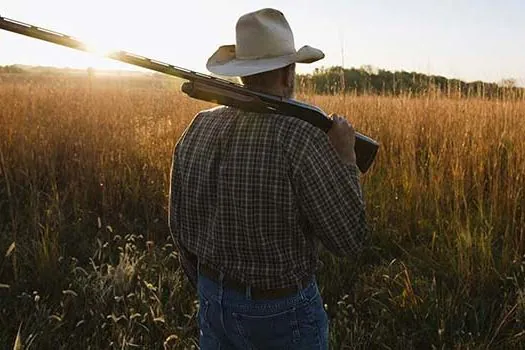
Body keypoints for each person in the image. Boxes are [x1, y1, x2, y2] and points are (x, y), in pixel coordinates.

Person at [169, 8, 369, 349]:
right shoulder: (302, 135)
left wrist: (211, 286)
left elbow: (178, 226)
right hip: (282, 314)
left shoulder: (199, 126)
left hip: (212, 299)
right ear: (289, 73)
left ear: (243, 72)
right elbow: (349, 238)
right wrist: (347, 158)